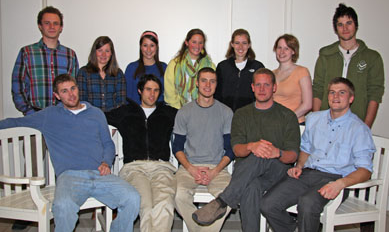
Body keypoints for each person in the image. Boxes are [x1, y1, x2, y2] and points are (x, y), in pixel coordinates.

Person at [0, 74, 140, 232]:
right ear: (57, 96)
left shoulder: (96, 113)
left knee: (132, 198)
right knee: (62, 206)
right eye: (64, 91)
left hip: (100, 173)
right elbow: (16, 122)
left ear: (78, 89)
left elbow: (108, 144)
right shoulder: (49, 115)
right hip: (70, 176)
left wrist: (106, 162)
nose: (71, 94)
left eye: (73, 88)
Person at [260, 77, 375, 232]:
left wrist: (340, 184)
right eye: (332, 92)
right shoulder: (314, 119)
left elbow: (365, 170)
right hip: (307, 174)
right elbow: (306, 149)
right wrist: (299, 166)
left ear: (351, 98)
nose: (336, 96)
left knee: (307, 203)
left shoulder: (359, 129)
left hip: (335, 178)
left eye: (342, 93)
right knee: (267, 204)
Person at [192, 68, 300, 232]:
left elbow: (292, 156)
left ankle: (223, 201)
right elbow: (236, 150)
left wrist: (276, 152)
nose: (262, 89)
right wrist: (251, 146)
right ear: (252, 87)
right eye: (258, 85)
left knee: (262, 154)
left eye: (266, 85)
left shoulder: (287, 116)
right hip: (246, 173)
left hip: (277, 172)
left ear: (274, 87)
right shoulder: (242, 114)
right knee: (251, 185)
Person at [105, 74, 177, 232]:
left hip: (162, 167)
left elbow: (191, 118)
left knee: (165, 204)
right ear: (139, 91)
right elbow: (99, 118)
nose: (152, 94)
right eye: (148, 89)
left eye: (156, 90)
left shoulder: (167, 113)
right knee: (145, 204)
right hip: (134, 168)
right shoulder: (126, 112)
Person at [173, 67, 234, 231]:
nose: (208, 85)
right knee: (178, 195)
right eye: (204, 80)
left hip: (217, 168)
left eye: (212, 81)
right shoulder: (184, 112)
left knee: (230, 197)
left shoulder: (226, 112)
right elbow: (177, 147)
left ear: (216, 85)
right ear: (197, 84)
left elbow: (231, 149)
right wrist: (191, 169)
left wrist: (215, 172)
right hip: (189, 167)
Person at [312, 3, 384, 128]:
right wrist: (316, 122)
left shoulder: (372, 57)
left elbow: (375, 94)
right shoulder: (325, 55)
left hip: (356, 123)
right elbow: (318, 89)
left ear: (356, 25)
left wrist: (365, 127)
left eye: (349, 23)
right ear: (335, 28)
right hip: (326, 123)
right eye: (340, 24)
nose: (345, 28)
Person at [12, 6, 79, 115]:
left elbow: (74, 86)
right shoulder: (27, 53)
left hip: (63, 115)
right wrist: (28, 111)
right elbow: (18, 86)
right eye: (47, 23)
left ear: (61, 27)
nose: (52, 27)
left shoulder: (70, 55)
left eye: (56, 23)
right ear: (40, 26)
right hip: (35, 114)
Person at [215, 29, 264, 112]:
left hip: (250, 115)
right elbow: (216, 93)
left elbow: (262, 93)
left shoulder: (258, 67)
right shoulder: (222, 67)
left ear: (249, 45)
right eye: (237, 43)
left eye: (244, 43)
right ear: (232, 44)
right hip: (225, 114)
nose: (240, 47)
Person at [164, 28, 215, 109]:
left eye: (200, 43)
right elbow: (169, 91)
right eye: (194, 42)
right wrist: (180, 109)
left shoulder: (210, 66)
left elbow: (212, 88)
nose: (197, 46)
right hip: (177, 109)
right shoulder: (174, 64)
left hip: (203, 109)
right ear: (187, 42)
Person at [77, 36, 126, 112]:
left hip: (114, 119)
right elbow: (82, 101)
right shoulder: (83, 73)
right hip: (91, 118)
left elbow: (121, 101)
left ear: (111, 53)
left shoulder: (118, 74)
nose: (103, 55)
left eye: (107, 51)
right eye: (100, 50)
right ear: (94, 52)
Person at [272, 34, 312, 124]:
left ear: (293, 51)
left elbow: (308, 104)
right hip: (275, 124)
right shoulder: (271, 74)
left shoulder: (302, 72)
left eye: (286, 48)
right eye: (279, 48)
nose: (282, 52)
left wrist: (287, 119)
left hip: (294, 123)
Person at [125, 31, 167, 104]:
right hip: (136, 112)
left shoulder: (164, 68)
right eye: (145, 45)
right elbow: (127, 97)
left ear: (156, 47)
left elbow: (167, 95)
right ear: (140, 47)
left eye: (152, 45)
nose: (148, 49)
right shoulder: (131, 68)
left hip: (158, 112)